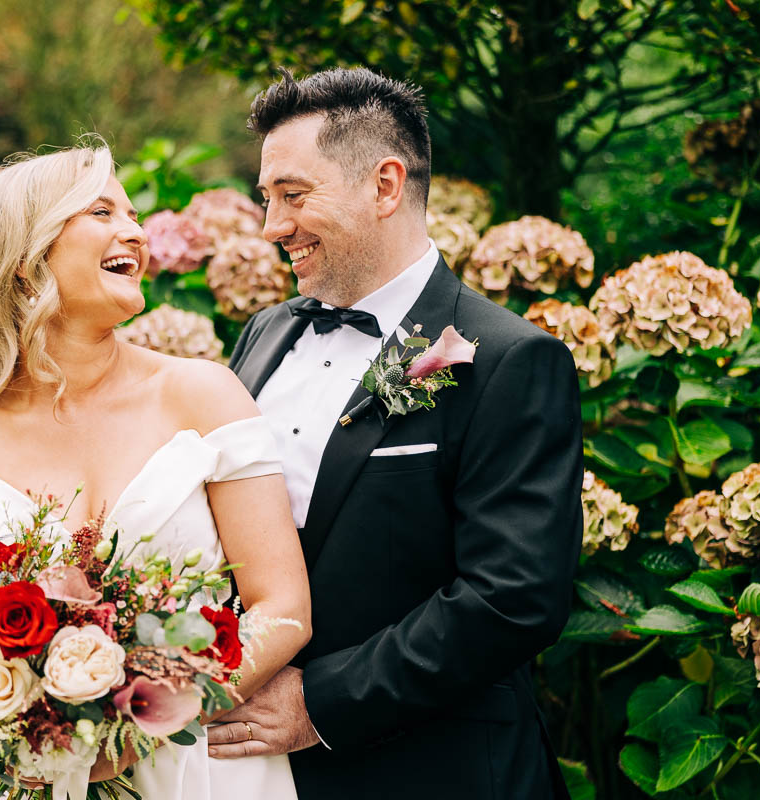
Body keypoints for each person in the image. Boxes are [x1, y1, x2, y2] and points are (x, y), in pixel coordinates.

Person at [206, 68, 583, 799]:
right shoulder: (265, 332)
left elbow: (513, 596)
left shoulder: (506, 358)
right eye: (264, 199)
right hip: (253, 772)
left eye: (292, 195)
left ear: (385, 186)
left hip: (433, 768)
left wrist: (322, 703)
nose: (271, 226)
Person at [0, 142, 311, 799]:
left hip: (204, 764)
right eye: (101, 211)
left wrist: (146, 725)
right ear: (26, 254)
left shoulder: (201, 395)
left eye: (132, 214)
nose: (135, 231)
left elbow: (285, 606)